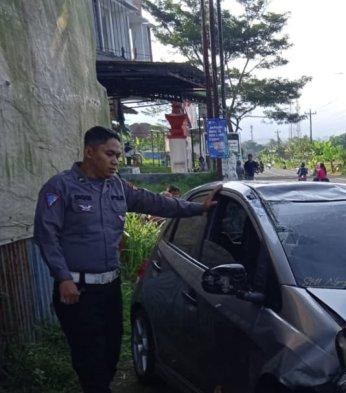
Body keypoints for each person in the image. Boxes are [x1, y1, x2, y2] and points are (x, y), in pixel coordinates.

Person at [33, 126, 219, 393]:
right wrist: (63, 278)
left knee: (110, 352)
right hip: (76, 290)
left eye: (118, 156)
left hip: (110, 287)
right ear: (89, 152)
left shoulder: (118, 187)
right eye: (110, 154)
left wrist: (198, 208)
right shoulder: (61, 187)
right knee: (90, 358)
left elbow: (156, 203)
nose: (116, 161)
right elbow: (46, 235)